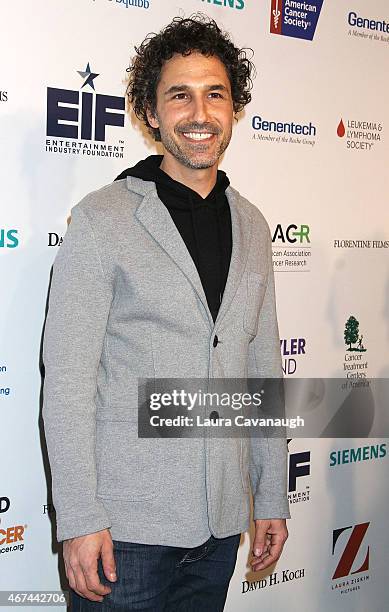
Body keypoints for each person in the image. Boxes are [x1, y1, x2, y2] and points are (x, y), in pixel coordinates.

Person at [42, 13, 290, 612]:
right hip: (122, 534)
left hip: (220, 525)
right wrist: (78, 516)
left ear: (234, 109)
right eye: (180, 95)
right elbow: (70, 380)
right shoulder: (104, 219)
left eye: (215, 94)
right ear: (151, 113)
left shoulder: (253, 224)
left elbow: (262, 370)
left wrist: (272, 496)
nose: (200, 114)